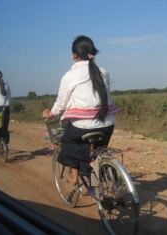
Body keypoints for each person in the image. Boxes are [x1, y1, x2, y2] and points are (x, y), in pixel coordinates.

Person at [42, 35, 119, 185]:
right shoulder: (104, 72)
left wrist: (50, 113)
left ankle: (74, 171)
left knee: (67, 140)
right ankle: (100, 173)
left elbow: (61, 104)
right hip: (107, 124)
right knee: (99, 150)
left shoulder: (70, 76)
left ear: (74, 55)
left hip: (82, 127)